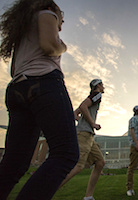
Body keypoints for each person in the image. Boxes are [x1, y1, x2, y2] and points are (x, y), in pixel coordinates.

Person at [0, 0, 79, 199]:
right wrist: (63, 47)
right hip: (43, 84)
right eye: (61, 16)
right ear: (54, 9)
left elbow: (13, 70)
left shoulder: (23, 32)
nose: (62, 22)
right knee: (66, 153)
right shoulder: (47, 13)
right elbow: (50, 46)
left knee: (14, 164)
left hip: (17, 90)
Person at [60, 79, 105, 200]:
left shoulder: (92, 97)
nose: (103, 86)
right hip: (84, 134)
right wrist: (92, 123)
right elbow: (82, 106)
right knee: (78, 166)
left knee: (100, 163)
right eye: (102, 84)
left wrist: (82, 122)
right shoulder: (97, 95)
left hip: (88, 135)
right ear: (98, 86)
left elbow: (75, 113)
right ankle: (46, 192)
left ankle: (88, 196)